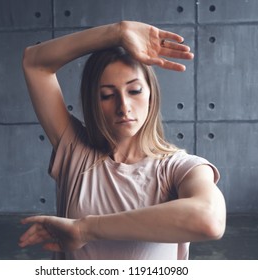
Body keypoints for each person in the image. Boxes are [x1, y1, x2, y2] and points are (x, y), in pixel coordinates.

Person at [18, 21, 226, 260]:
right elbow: (35, 63)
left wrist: (85, 229)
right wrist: (118, 32)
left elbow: (209, 219)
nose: (123, 107)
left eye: (134, 91)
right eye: (107, 95)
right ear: (93, 101)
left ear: (151, 94)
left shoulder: (180, 167)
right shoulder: (75, 150)